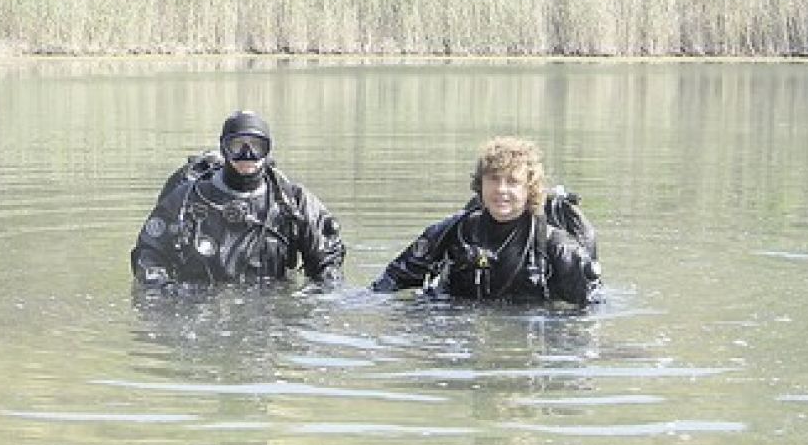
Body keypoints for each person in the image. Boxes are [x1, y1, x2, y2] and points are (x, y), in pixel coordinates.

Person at [371, 136, 602, 306]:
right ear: (480, 184)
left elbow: (593, 308)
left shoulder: (554, 245)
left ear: (529, 189)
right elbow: (391, 280)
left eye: (512, 182)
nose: (501, 190)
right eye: (493, 179)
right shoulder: (455, 231)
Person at [130, 111, 345, 288]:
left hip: (270, 313)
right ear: (224, 149)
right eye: (237, 146)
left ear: (267, 151)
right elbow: (149, 254)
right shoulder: (187, 198)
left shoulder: (292, 202)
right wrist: (163, 294)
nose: (247, 155)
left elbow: (327, 261)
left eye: (256, 146)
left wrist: (316, 300)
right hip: (199, 307)